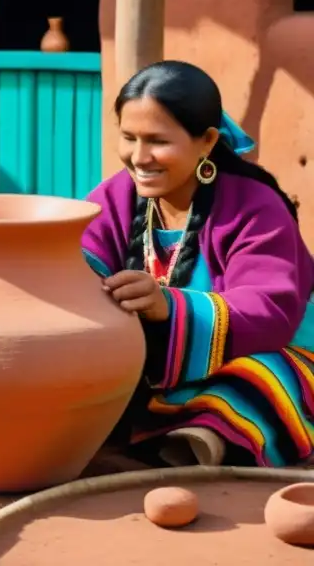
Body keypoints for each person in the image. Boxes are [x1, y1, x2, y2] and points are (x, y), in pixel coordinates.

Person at [82, 60, 314, 468]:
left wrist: (168, 306)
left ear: (206, 141)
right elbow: (73, 261)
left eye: (157, 140)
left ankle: (202, 441)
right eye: (128, 137)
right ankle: (172, 438)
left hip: (273, 352)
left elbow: (270, 312)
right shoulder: (115, 197)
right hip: (157, 374)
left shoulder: (255, 207)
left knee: (264, 380)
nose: (139, 157)